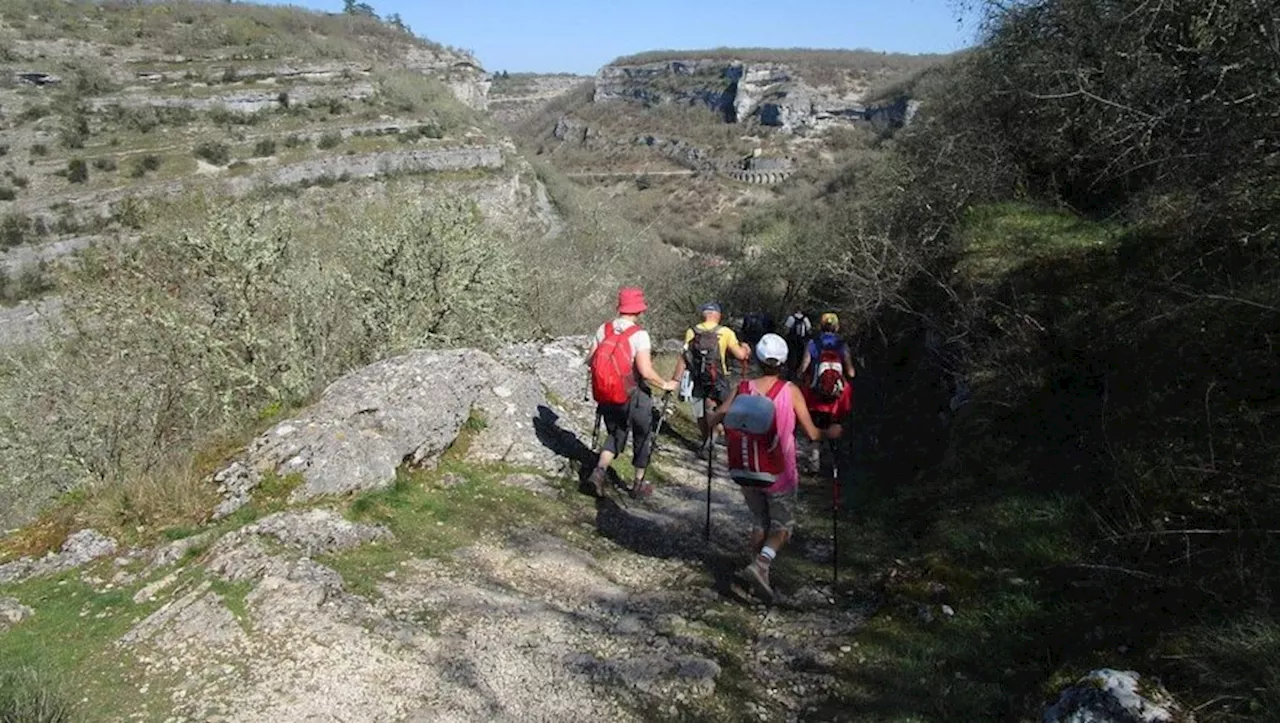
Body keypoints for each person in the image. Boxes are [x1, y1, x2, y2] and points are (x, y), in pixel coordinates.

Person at [709, 334, 833, 601]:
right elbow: (812, 433)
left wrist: (711, 418)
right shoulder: (790, 391)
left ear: (758, 359)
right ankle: (762, 565)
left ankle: (752, 578)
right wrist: (831, 432)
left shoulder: (742, 389)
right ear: (784, 361)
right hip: (779, 474)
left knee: (759, 522)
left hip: (744, 471)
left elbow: (716, 417)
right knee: (782, 527)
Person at [585, 287, 679, 500]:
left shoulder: (604, 329)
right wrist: (664, 384)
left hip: (608, 394)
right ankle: (638, 484)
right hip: (634, 395)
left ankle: (599, 472)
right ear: (638, 310)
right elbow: (645, 371)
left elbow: (590, 361)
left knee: (615, 433)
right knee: (642, 435)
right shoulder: (639, 335)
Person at [671, 302, 751, 459]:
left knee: (701, 413)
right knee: (718, 410)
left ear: (704, 314)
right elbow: (741, 355)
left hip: (698, 378)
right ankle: (712, 443)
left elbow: (684, 356)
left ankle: (706, 440)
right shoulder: (725, 332)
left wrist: (675, 380)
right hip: (718, 379)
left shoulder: (692, 331)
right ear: (718, 315)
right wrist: (746, 348)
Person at [797, 312, 856, 384]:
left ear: (821, 326)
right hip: (837, 389)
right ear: (836, 327)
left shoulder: (812, 343)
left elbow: (804, 367)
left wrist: (798, 375)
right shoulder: (842, 344)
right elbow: (851, 373)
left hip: (816, 388)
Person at [782, 309, 812, 379]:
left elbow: (786, 329)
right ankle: (798, 372)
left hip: (792, 340)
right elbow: (809, 330)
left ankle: (790, 373)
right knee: (800, 356)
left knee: (791, 356)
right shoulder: (805, 319)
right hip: (801, 341)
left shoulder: (791, 318)